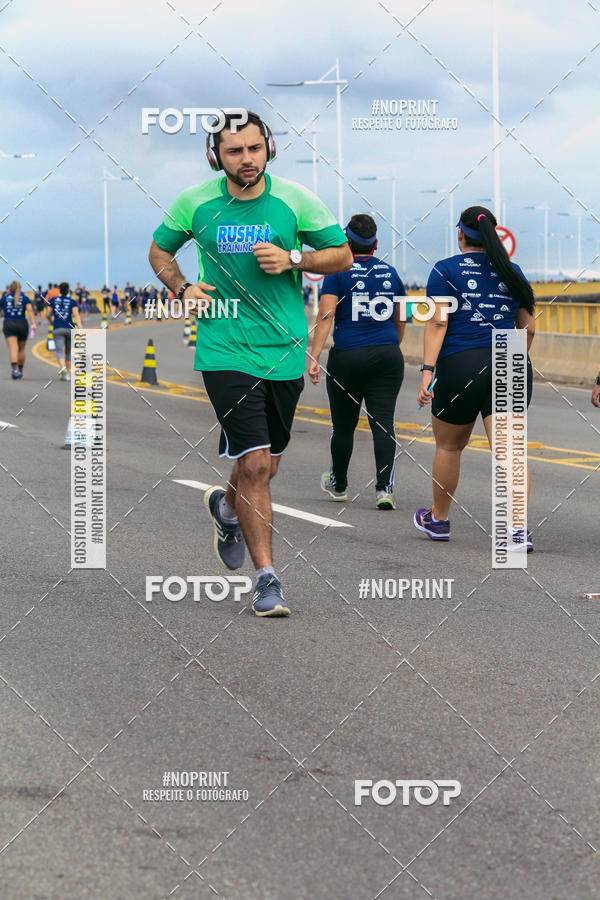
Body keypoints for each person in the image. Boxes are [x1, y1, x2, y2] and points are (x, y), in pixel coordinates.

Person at [149, 109, 352, 616]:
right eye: (234, 150)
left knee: (266, 465)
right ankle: (267, 579)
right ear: (215, 154)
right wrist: (182, 287)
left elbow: (342, 255)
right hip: (223, 348)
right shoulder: (195, 203)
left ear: (270, 148)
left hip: (282, 347)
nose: (246, 159)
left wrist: (296, 260)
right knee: (257, 462)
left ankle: (226, 505)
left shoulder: (295, 200)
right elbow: (159, 251)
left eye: (254, 148)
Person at [414, 205, 536, 550]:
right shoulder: (513, 271)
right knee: (510, 450)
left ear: (459, 236)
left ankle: (438, 520)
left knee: (449, 445)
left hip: (461, 361)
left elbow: (437, 323)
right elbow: (528, 328)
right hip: (510, 356)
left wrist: (427, 371)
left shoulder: (444, 269)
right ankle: (516, 532)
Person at [309, 213, 408, 510]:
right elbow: (401, 316)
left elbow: (326, 316)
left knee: (343, 426)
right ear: (375, 244)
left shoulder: (337, 273)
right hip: (387, 355)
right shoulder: (391, 274)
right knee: (384, 424)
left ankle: (338, 485)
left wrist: (314, 356)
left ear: (346, 244)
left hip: (347, 357)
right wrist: (392, 344)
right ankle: (384, 490)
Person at [1, 280, 36, 379]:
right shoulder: (25, 298)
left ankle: (14, 370)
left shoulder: (4, 298)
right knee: (21, 349)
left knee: (13, 348)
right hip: (22, 324)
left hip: (9, 324)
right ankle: (20, 370)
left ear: (10, 288)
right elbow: (30, 311)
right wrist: (33, 324)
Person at [49, 282, 82, 381]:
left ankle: (63, 369)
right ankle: (68, 373)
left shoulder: (53, 300)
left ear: (59, 290)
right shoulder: (72, 301)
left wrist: (51, 320)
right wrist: (80, 328)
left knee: (59, 351)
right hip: (69, 328)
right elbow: (76, 314)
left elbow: (47, 313)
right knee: (68, 352)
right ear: (68, 290)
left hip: (57, 328)